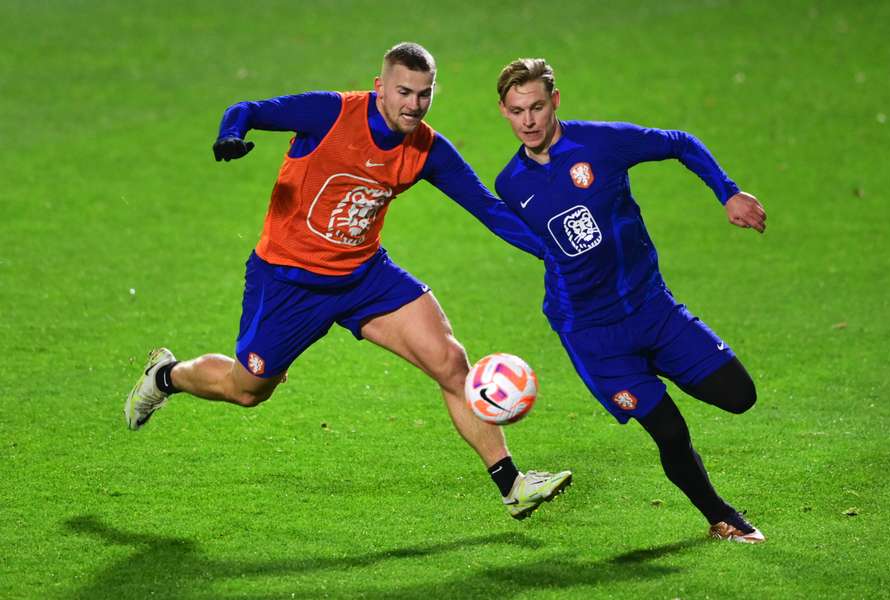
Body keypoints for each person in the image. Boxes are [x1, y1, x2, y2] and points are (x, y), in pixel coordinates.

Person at [124, 43, 571, 520]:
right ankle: (166, 377)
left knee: (450, 361)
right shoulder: (331, 113)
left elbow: (489, 210)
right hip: (287, 281)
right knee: (247, 389)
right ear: (380, 87)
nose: (413, 105)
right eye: (403, 92)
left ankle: (513, 485)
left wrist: (558, 253)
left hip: (364, 276)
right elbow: (247, 110)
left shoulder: (427, 149)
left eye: (424, 94)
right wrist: (230, 134)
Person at [492, 58, 768, 542]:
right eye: (517, 111)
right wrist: (559, 257)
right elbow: (535, 237)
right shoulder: (510, 184)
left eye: (536, 107)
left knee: (739, 396)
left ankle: (663, 372)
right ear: (504, 112)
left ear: (555, 101)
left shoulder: (600, 142)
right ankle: (720, 517)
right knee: (669, 431)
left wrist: (728, 193)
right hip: (594, 336)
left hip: (653, 310)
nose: (528, 121)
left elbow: (679, 143)